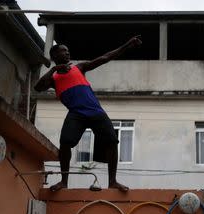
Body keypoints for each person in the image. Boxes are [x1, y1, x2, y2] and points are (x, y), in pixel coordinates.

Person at [34, 35, 142, 192]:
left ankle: (112, 181)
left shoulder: (79, 68)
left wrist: (127, 45)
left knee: (112, 141)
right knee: (65, 143)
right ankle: (64, 181)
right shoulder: (53, 78)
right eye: (64, 51)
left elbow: (105, 58)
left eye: (68, 51)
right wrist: (53, 69)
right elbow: (37, 87)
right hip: (76, 113)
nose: (68, 54)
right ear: (55, 56)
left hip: (95, 111)